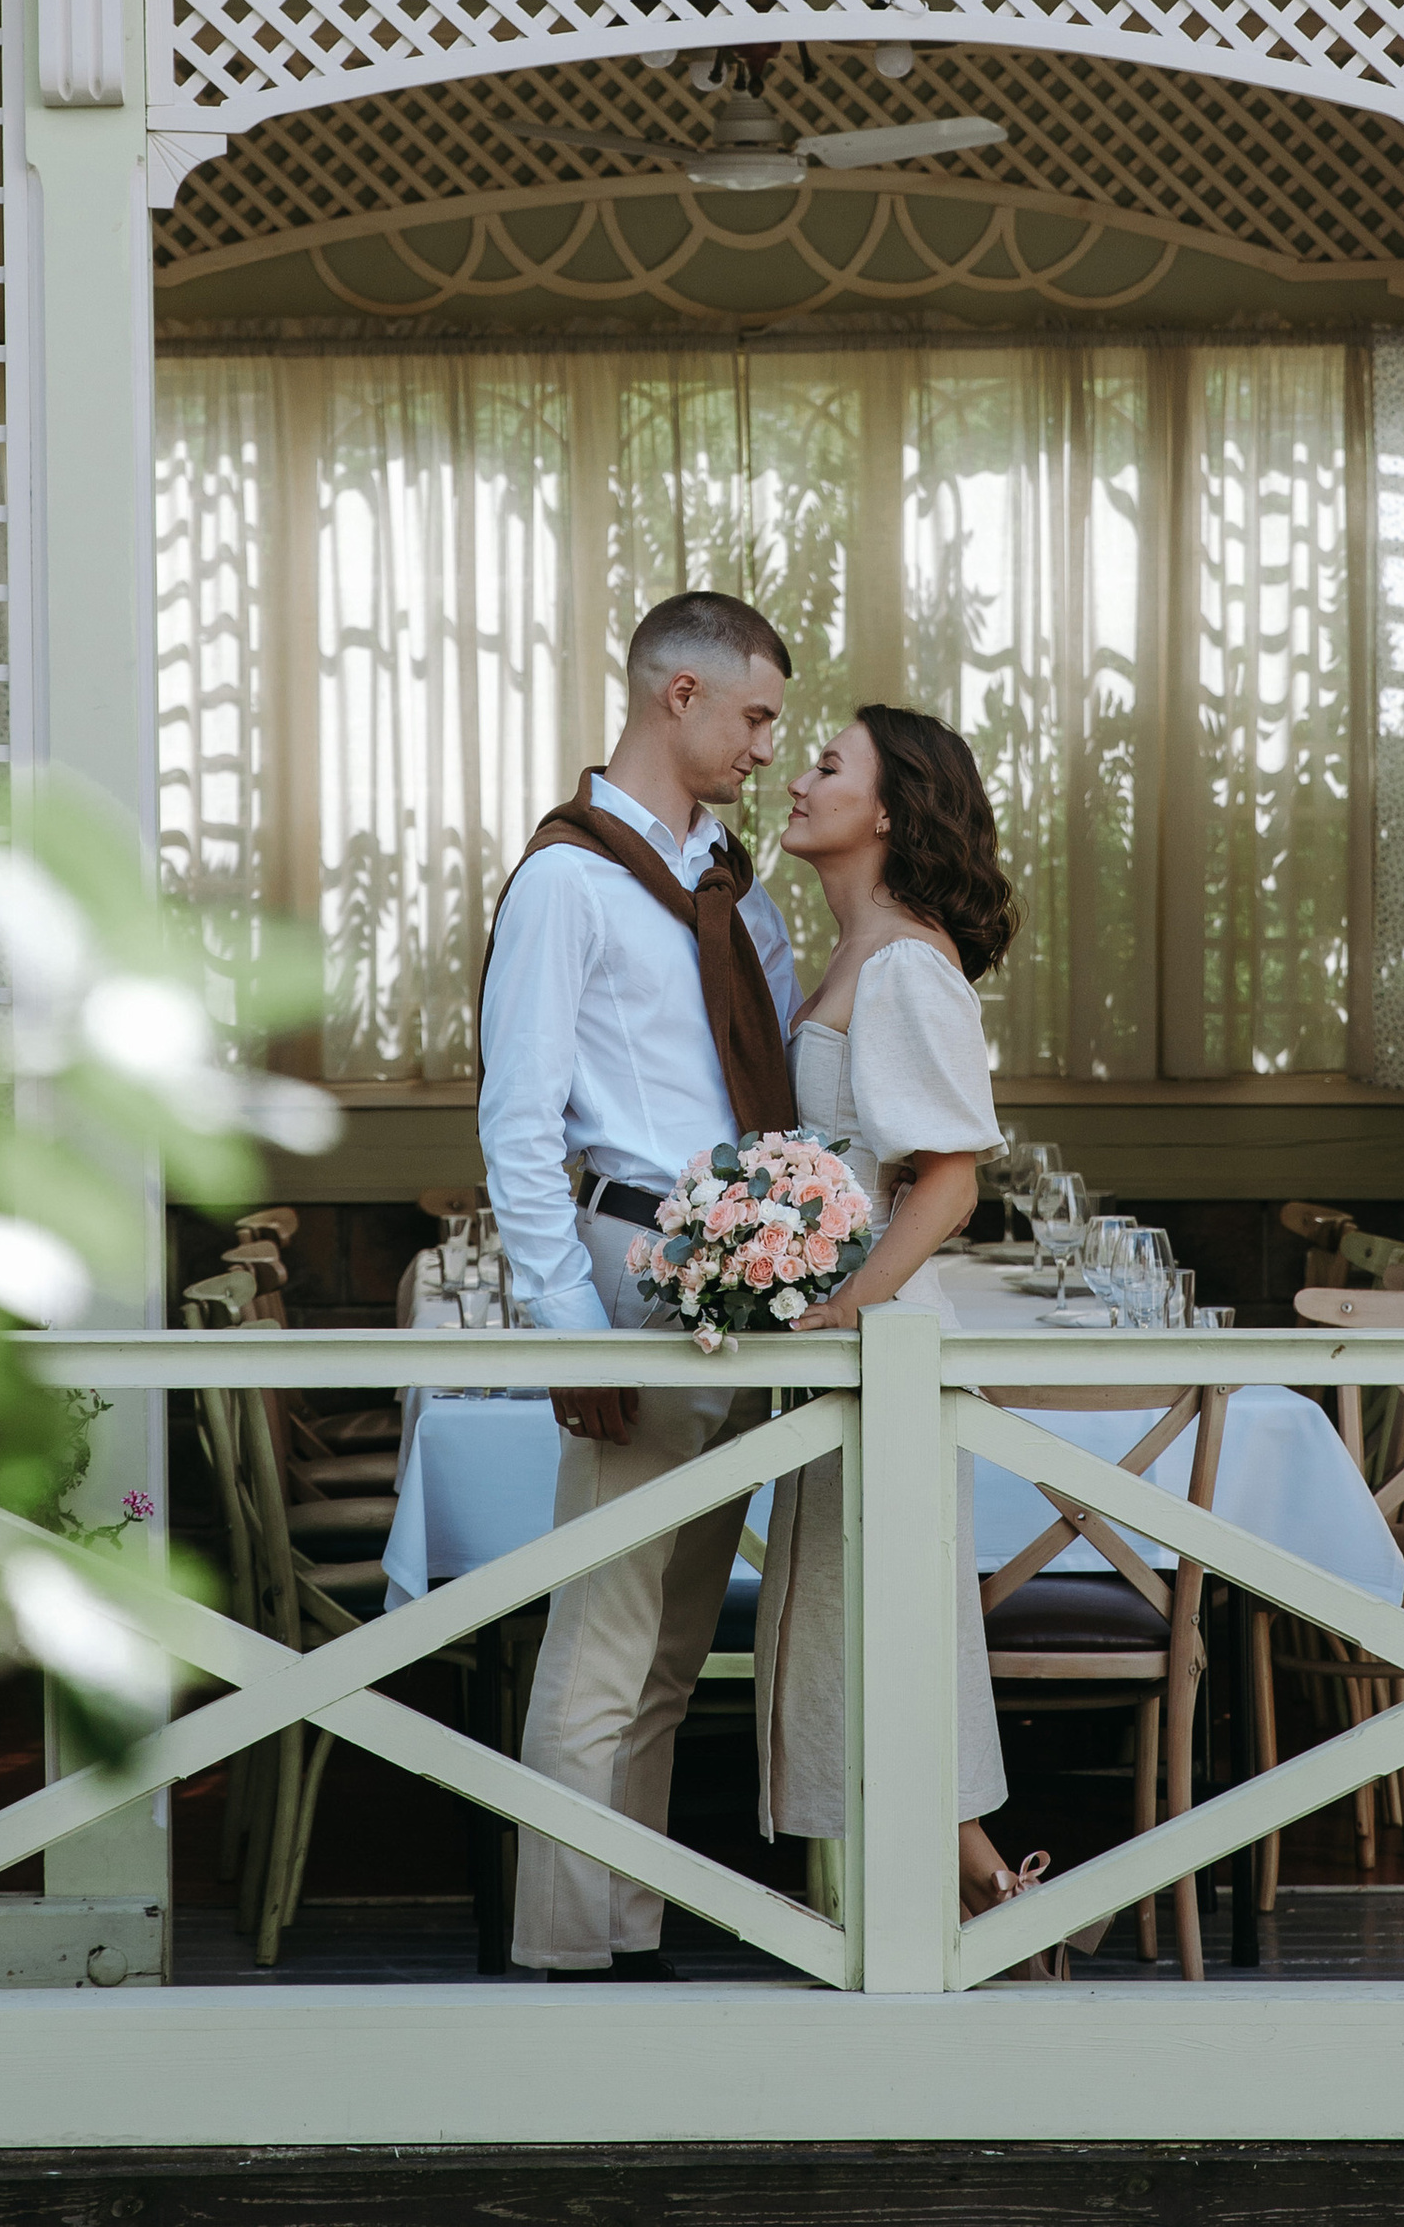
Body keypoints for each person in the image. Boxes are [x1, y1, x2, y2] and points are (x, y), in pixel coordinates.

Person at [477, 588, 800, 1978]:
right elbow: (519, 1125)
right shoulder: (568, 881)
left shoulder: (729, 887)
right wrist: (569, 1333)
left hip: (741, 1284)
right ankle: (559, 1960)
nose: (769, 745)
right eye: (756, 714)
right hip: (633, 1269)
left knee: (672, 1648)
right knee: (604, 1634)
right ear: (680, 695)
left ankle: (629, 1928)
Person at [754, 703, 1044, 1932]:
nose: (798, 781)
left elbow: (948, 1177)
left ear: (887, 809)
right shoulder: (844, 954)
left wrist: (844, 1318)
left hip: (887, 1350)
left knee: (885, 1621)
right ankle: (968, 1887)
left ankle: (949, 1910)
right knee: (859, 1624)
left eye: (826, 766)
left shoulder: (907, 967)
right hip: (855, 1343)